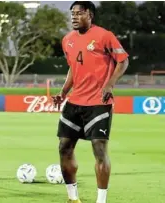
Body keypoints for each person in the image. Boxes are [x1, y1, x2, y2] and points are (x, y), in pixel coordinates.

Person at [53, 2, 129, 203]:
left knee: (99, 149)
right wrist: (63, 92)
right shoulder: (67, 40)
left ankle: (100, 200)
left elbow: (123, 60)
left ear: (90, 14)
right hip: (75, 102)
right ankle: (73, 198)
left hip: (98, 102)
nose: (74, 17)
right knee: (64, 147)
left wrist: (110, 85)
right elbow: (72, 68)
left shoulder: (105, 36)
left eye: (79, 13)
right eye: (72, 13)